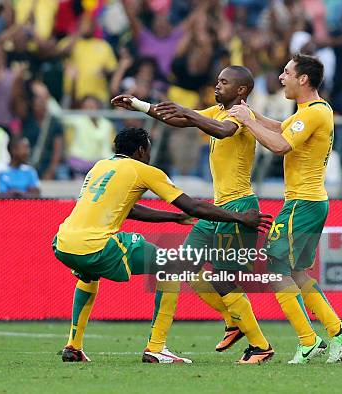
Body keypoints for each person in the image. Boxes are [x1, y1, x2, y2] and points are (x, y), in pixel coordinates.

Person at [53, 126, 272, 363]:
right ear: (140, 150)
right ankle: (156, 348)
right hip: (96, 245)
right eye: (148, 149)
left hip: (64, 243)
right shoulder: (143, 170)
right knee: (171, 267)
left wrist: (174, 218)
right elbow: (193, 206)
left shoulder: (99, 167)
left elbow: (129, 208)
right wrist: (240, 217)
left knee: (87, 276)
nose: (149, 154)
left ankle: (73, 346)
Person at [111, 66, 274, 364]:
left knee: (224, 279)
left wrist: (190, 111)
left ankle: (260, 346)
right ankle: (232, 320)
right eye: (217, 79)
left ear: (241, 90)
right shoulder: (216, 110)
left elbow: (222, 131)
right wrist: (139, 105)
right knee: (182, 267)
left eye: (224, 82)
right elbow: (177, 118)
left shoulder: (240, 114)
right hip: (216, 208)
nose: (217, 84)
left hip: (239, 206)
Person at [228, 53, 342, 364]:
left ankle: (308, 340)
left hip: (301, 203)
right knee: (297, 272)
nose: (281, 78)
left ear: (303, 79)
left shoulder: (313, 113)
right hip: (312, 201)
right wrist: (251, 113)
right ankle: (336, 329)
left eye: (287, 73)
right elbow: (281, 127)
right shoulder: (313, 111)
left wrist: (246, 121)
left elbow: (280, 145)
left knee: (275, 270)